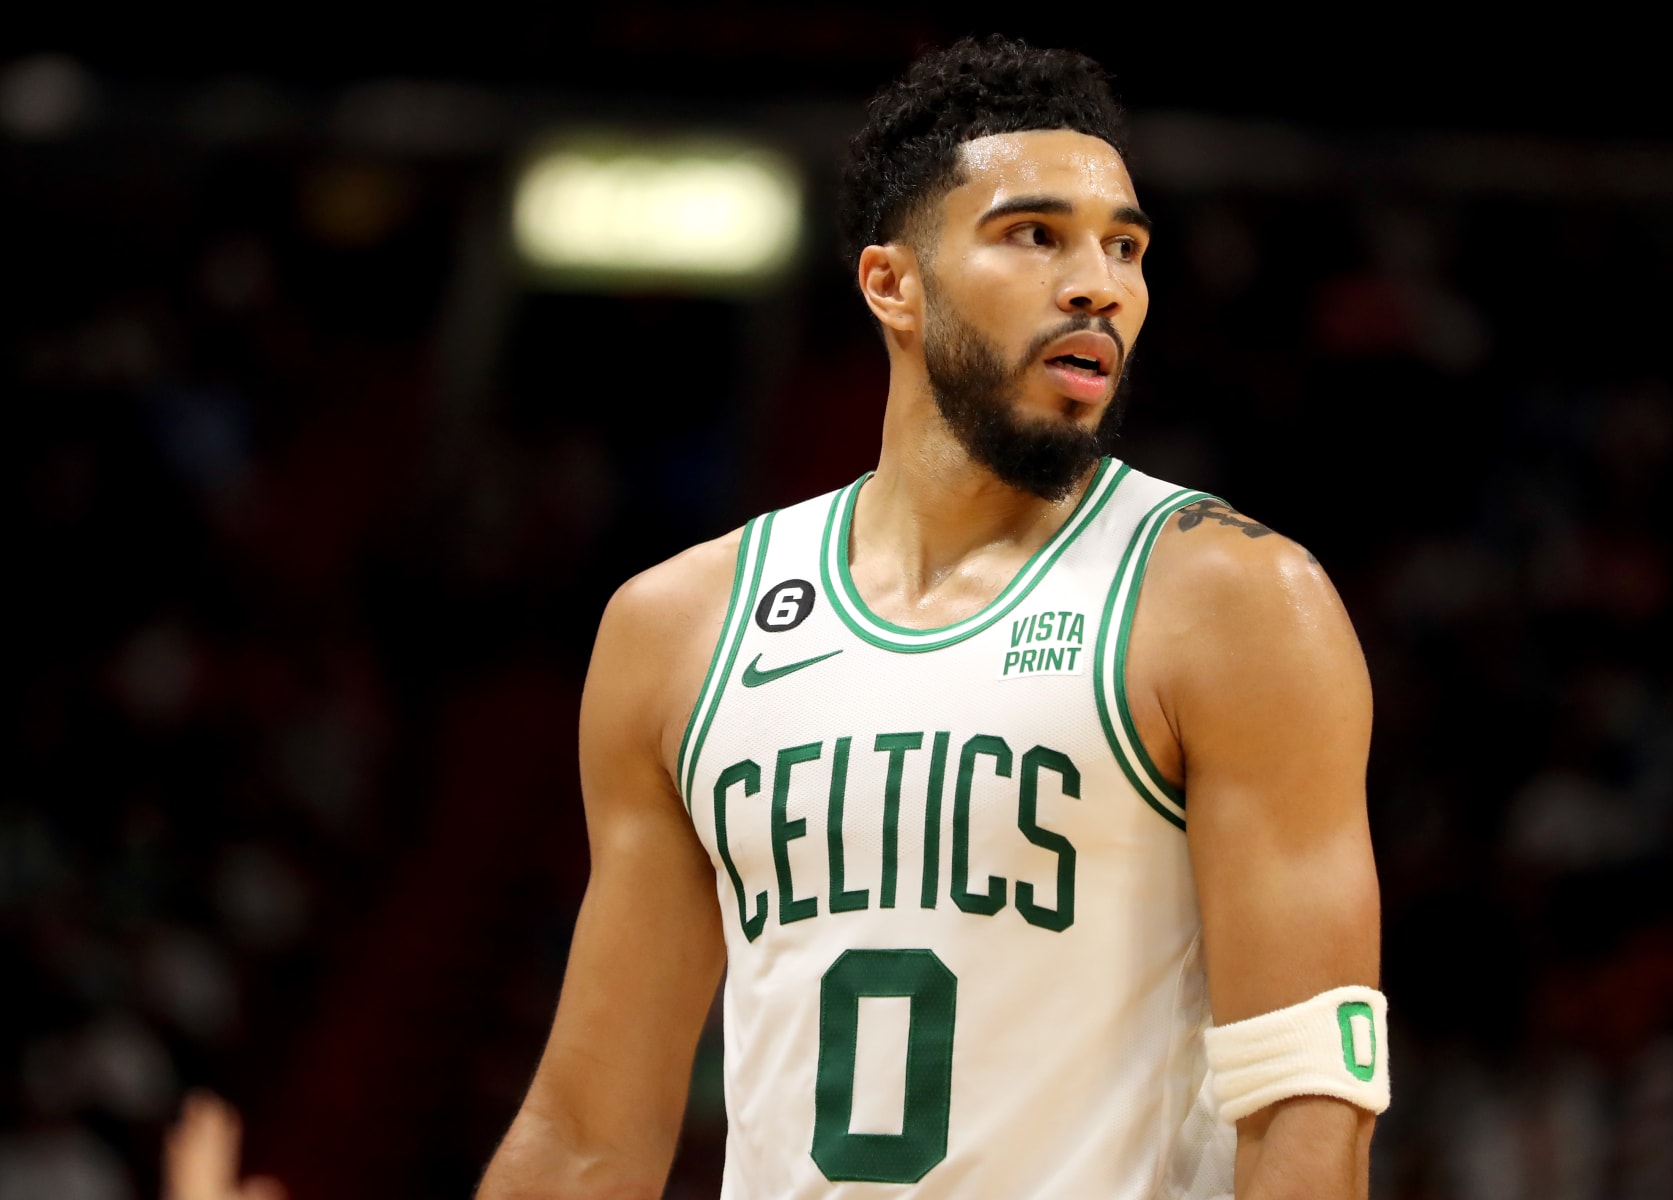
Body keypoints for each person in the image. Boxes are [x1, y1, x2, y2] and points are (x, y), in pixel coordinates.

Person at [478, 34, 1384, 1200]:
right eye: (1034, 235)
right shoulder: (680, 629)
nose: (1099, 283)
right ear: (890, 285)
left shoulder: (1229, 601)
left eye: (1125, 246)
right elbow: (589, 1137)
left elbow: (1312, 1116)